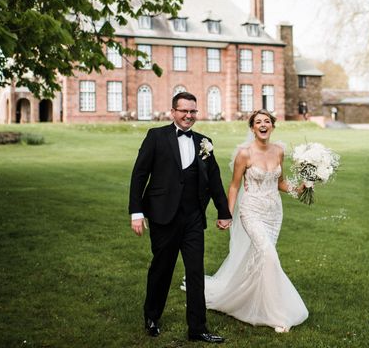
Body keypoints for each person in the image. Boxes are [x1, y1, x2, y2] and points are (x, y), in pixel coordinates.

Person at [129, 92, 232, 343]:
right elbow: (139, 174)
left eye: (193, 111)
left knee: (196, 272)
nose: (188, 116)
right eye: (184, 111)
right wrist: (136, 211)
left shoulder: (204, 142)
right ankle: (152, 317)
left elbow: (215, 180)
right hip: (163, 216)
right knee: (162, 269)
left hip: (193, 218)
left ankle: (197, 328)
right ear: (173, 111)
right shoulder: (156, 136)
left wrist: (223, 212)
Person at [203, 109, 309, 333]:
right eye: (258, 122)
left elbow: (280, 182)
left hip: (274, 213)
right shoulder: (244, 154)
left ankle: (247, 298)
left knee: (261, 258)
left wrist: (301, 188)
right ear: (252, 128)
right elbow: (234, 186)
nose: (263, 125)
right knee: (269, 255)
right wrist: (227, 214)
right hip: (251, 210)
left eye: (267, 121)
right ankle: (277, 313)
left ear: (272, 126)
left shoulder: (279, 151)